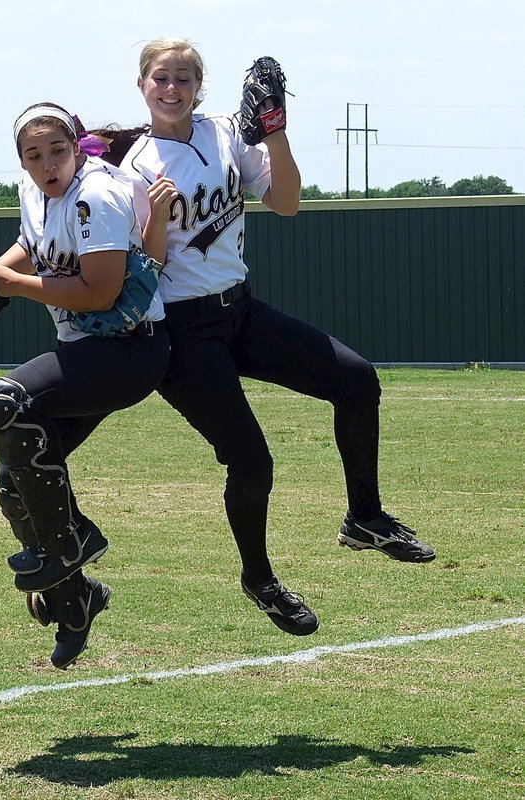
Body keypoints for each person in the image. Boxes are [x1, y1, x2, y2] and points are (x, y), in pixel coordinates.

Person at [108, 37, 435, 637]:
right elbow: (142, 264)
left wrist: (274, 130)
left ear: (199, 86)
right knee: (251, 461)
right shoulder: (131, 168)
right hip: (182, 331)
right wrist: (154, 217)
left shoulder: (227, 133)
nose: (173, 88)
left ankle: (364, 516)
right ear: (142, 86)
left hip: (240, 310)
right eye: (161, 78)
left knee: (357, 381)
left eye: (184, 77)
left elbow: (285, 203)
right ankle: (258, 578)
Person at [0, 102, 170, 669]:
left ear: (76, 147)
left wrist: (19, 285)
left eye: (57, 151)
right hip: (84, 350)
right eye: (33, 156)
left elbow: (99, 293)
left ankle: (74, 539)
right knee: (14, 479)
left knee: (2, 403)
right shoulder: (34, 191)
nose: (46, 164)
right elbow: (30, 244)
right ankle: (75, 597)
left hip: (128, 351)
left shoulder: (96, 196)